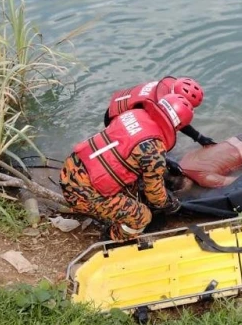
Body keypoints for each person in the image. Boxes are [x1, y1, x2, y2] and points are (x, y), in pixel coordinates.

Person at [61, 94, 194, 241]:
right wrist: (169, 203)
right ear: (178, 126)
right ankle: (111, 238)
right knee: (142, 216)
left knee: (134, 189)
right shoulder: (154, 149)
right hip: (81, 192)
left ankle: (112, 212)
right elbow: (155, 196)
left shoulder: (133, 114)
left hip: (72, 166)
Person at [103, 76, 215, 146]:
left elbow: (177, 118)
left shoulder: (164, 89)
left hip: (121, 104)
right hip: (116, 118)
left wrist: (198, 137)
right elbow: (145, 136)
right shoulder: (152, 105)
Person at [165, 135, 242, 190]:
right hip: (238, 138)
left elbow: (237, 181)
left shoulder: (204, 179)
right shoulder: (183, 160)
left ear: (185, 184)